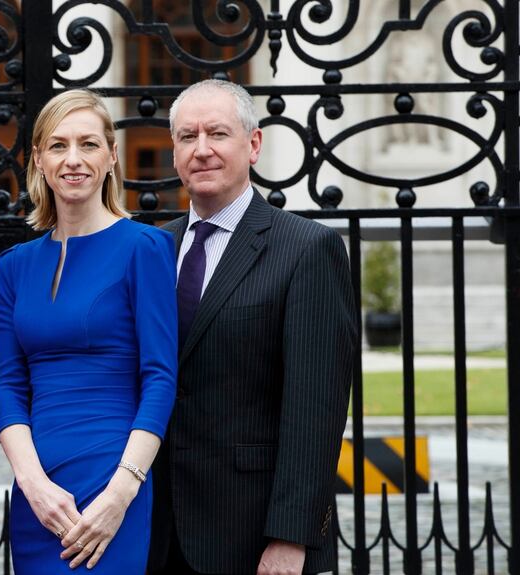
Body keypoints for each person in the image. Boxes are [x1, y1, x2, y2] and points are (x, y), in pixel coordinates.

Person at [147, 79, 355, 574]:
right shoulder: (152, 248)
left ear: (253, 144)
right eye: (186, 136)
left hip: (251, 534)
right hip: (154, 529)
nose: (201, 150)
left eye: (217, 133)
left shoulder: (306, 250)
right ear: (174, 152)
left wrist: (291, 538)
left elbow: (315, 410)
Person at [0, 89, 178, 573]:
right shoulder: (15, 265)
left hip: (112, 485)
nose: (73, 160)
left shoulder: (146, 247)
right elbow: (8, 383)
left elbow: (160, 377)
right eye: (57, 146)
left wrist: (121, 492)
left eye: (88, 144)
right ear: (38, 159)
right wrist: (31, 482)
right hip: (38, 494)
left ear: (112, 155)